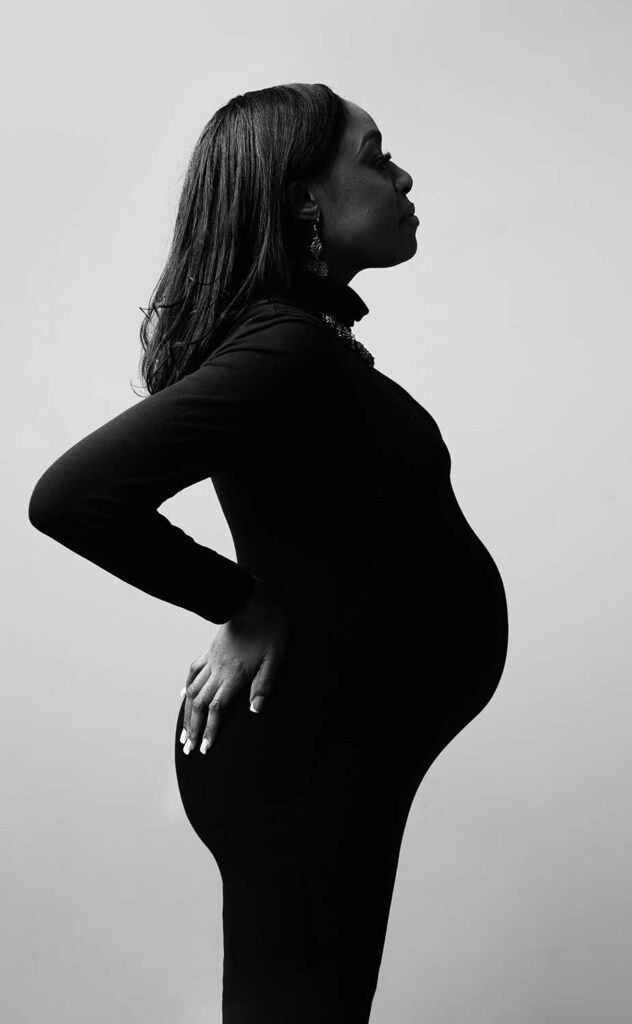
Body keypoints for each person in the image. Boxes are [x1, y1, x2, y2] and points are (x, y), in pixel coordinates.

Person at [28, 83, 509, 1023]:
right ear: (300, 197)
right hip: (302, 759)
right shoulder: (286, 347)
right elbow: (72, 498)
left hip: (332, 752)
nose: (403, 173)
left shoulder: (305, 345)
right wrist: (239, 603)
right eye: (374, 155)